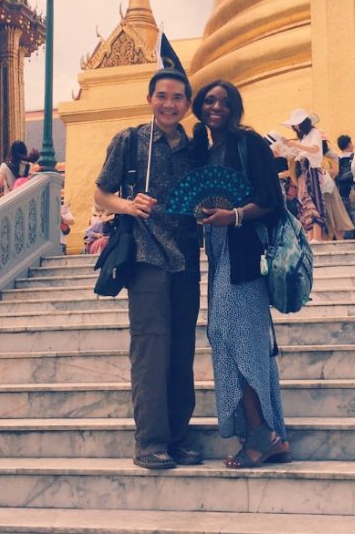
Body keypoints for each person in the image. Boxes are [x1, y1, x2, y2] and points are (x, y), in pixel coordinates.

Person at [94, 68, 202, 471]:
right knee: (151, 348)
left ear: (187, 105)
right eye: (162, 96)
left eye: (177, 98)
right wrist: (128, 205)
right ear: (150, 99)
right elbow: (101, 192)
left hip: (186, 258)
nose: (169, 104)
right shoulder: (131, 140)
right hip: (146, 255)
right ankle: (151, 441)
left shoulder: (194, 148)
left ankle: (178, 435)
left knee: (181, 349)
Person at [192, 79, 290, 468]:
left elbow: (271, 200)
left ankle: (262, 434)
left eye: (225, 101)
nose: (216, 107)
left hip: (245, 252)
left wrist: (232, 215)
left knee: (240, 340)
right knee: (224, 335)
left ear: (235, 108)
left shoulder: (249, 143)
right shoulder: (204, 149)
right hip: (218, 252)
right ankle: (267, 433)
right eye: (209, 100)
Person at [276, 109, 328, 243]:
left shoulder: (314, 133)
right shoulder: (304, 137)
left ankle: (317, 236)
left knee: (314, 203)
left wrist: (297, 146)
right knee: (305, 204)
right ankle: (311, 236)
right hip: (303, 173)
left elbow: (316, 149)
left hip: (312, 170)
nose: (296, 127)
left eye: (297, 124)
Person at [321, 153, 355, 240]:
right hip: (324, 189)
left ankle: (337, 237)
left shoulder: (329, 156)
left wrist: (321, 171)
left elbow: (335, 171)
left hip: (329, 188)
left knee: (335, 214)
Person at [334, 134, 355, 239]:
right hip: (353, 187)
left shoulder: (337, 158)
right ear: (349, 144)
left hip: (341, 189)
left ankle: (348, 237)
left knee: (345, 214)